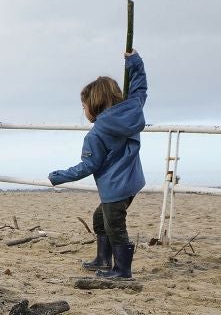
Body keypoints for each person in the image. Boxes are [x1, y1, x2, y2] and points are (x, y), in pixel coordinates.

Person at [47, 50, 148, 280]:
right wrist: (135, 62)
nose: (83, 111)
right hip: (132, 183)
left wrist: (58, 176)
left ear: (94, 104)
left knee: (115, 227)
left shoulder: (96, 134)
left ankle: (122, 271)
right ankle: (103, 258)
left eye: (84, 106)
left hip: (114, 189)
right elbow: (140, 88)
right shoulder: (132, 109)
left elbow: (88, 165)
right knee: (99, 219)